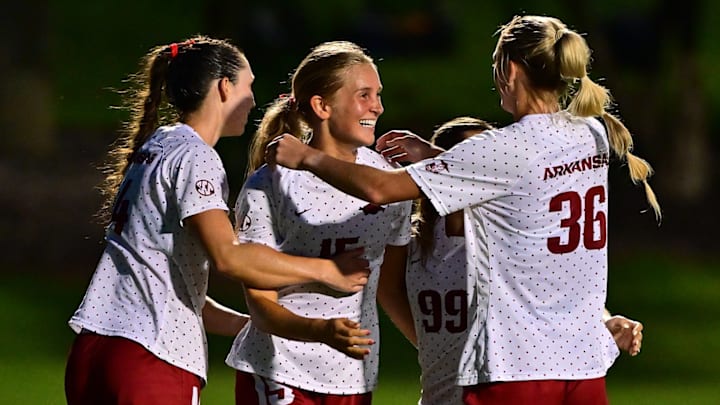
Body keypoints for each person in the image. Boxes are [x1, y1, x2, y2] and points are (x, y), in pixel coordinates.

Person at [265, 14, 660, 405]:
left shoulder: (502, 147)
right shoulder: (591, 135)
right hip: (585, 362)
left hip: (516, 367)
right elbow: (526, 184)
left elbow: (381, 188)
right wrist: (436, 157)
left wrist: (306, 158)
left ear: (510, 70)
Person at [64, 36, 371, 405]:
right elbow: (230, 257)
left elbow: (174, 290)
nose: (253, 100)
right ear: (225, 87)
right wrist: (327, 270)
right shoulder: (197, 155)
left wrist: (249, 325)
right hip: (150, 358)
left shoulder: (156, 146)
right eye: (249, 85)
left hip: (95, 349)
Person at [224, 40, 415, 405]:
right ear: (322, 105)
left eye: (378, 94)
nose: (378, 107)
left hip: (352, 376)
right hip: (279, 367)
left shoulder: (390, 183)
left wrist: (430, 351)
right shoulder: (271, 183)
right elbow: (260, 303)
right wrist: (321, 330)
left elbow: (389, 288)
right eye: (364, 95)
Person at [404, 117, 644, 405]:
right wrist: (433, 346)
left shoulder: (508, 235)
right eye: (472, 157)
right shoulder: (415, 238)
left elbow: (557, 284)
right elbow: (389, 291)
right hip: (438, 395)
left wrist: (604, 320)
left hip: (499, 388)